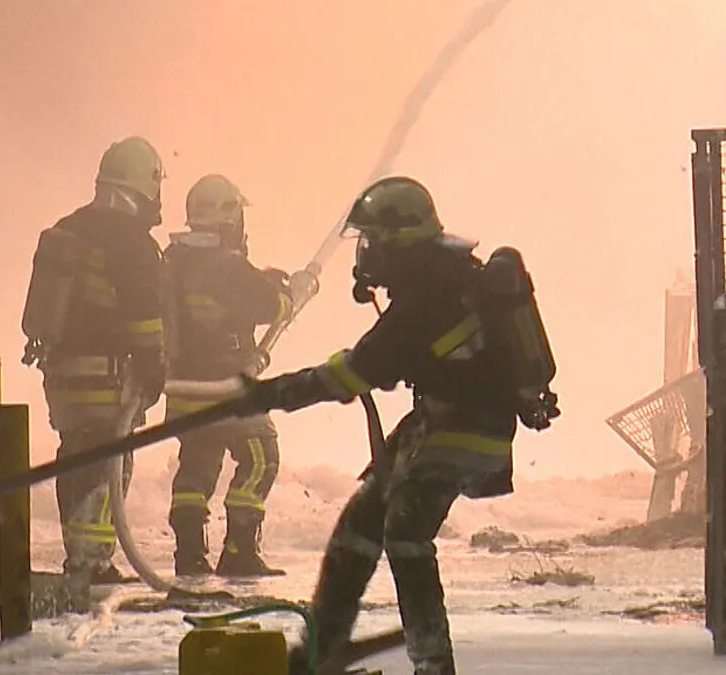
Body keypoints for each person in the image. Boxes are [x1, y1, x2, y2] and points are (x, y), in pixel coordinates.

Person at [237, 176, 560, 675]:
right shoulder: (438, 277)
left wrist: (270, 394)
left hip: (468, 430)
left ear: (398, 240)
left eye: (372, 241)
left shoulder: (429, 296)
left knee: (405, 529)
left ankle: (433, 662)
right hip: (441, 423)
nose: (366, 254)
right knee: (360, 525)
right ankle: (322, 650)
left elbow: (358, 370)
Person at [20, 136, 168, 588]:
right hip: (107, 374)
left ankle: (79, 556)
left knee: (76, 454)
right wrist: (153, 365)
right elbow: (144, 314)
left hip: (60, 372)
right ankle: (93, 563)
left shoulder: (69, 227)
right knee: (109, 459)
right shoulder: (133, 242)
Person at [162, 173, 293, 578]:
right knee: (260, 458)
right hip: (227, 389)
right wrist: (289, 292)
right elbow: (269, 306)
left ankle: (189, 557)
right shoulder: (228, 263)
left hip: (184, 390)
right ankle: (239, 551)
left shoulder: (172, 259)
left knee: (196, 467)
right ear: (230, 218)